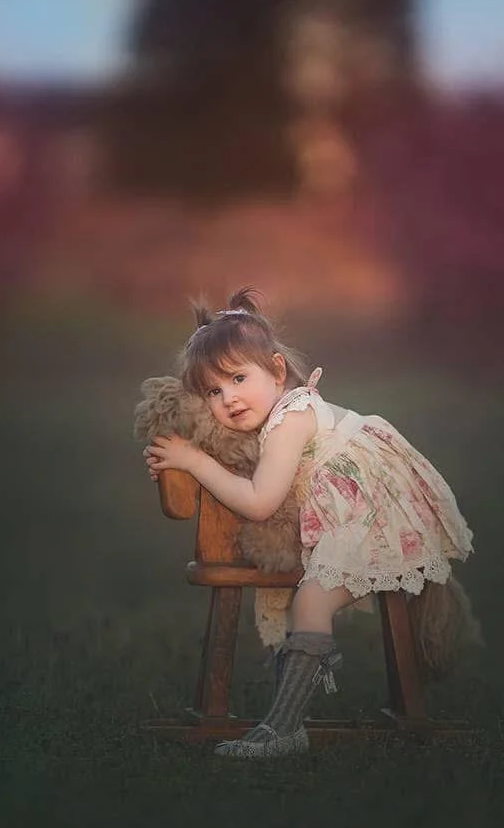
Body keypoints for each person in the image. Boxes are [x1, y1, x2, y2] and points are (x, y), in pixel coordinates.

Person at [142, 287, 474, 757]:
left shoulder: (288, 420)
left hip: (373, 517)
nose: (228, 399)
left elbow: (259, 502)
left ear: (277, 371)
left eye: (238, 378)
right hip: (358, 512)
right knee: (306, 602)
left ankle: (284, 731)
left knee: (311, 604)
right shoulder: (281, 412)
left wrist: (195, 463)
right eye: (213, 391)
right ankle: (285, 723)